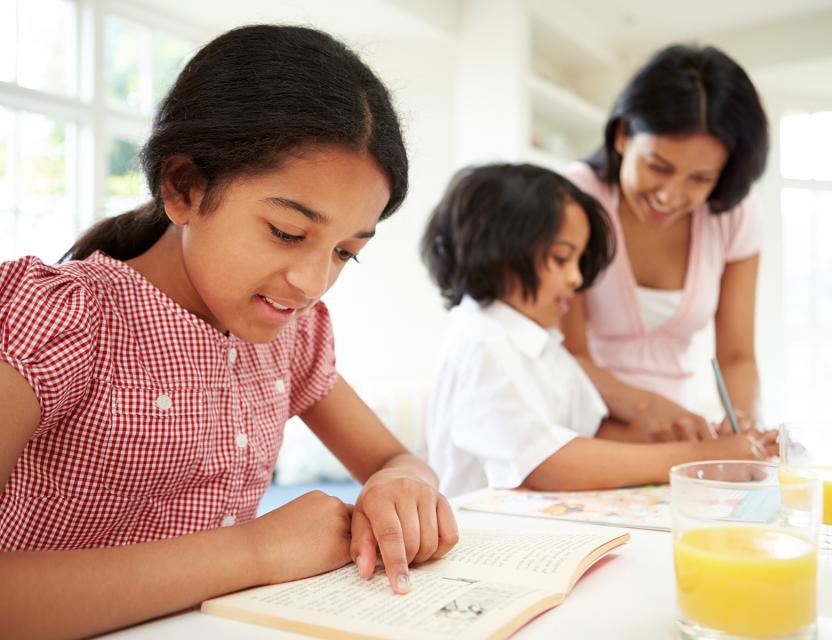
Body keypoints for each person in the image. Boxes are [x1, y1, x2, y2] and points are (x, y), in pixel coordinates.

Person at [0, 25, 458, 638]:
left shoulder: (292, 337)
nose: (312, 281)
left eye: (346, 252)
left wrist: (403, 483)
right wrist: (255, 551)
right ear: (184, 186)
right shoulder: (63, 319)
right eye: (288, 233)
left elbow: (395, 458)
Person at [421, 163, 776, 497]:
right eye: (562, 259)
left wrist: (706, 441)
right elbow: (547, 464)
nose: (577, 280)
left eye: (577, 261)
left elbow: (594, 434)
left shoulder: (544, 346)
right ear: (499, 252)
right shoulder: (482, 341)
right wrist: (697, 459)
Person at [562, 44, 770, 442]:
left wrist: (742, 420)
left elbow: (738, 357)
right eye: (658, 166)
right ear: (623, 135)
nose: (671, 195)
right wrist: (647, 408)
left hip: (672, 436)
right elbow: (571, 354)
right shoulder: (574, 200)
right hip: (583, 431)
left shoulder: (733, 214)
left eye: (701, 178)